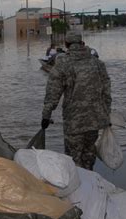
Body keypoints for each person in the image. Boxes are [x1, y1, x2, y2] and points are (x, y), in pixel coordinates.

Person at [41, 32, 111, 170]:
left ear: (67, 45)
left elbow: (53, 94)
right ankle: (90, 183)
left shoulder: (62, 65)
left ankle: (79, 186)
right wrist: (106, 114)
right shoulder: (98, 64)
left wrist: (46, 116)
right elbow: (107, 93)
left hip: (74, 122)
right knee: (89, 154)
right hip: (95, 120)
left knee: (73, 159)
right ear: (82, 43)